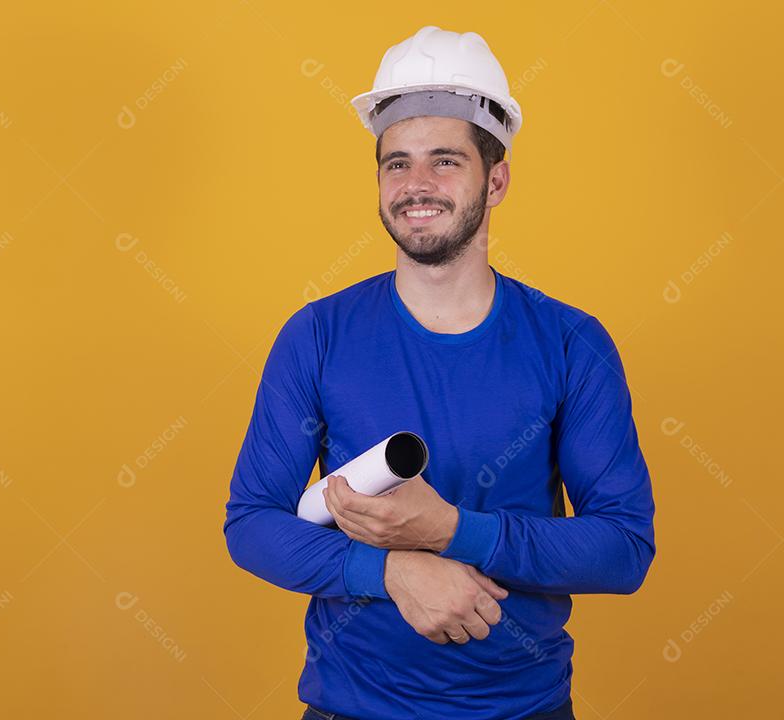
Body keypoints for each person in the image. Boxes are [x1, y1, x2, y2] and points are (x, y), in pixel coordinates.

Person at [222, 25, 656, 720]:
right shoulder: (317, 335)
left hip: (524, 709)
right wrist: (390, 570)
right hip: (350, 709)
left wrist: (449, 530)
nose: (416, 186)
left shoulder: (573, 343)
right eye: (397, 164)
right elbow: (250, 524)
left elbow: (624, 548)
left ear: (498, 178)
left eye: (445, 161)